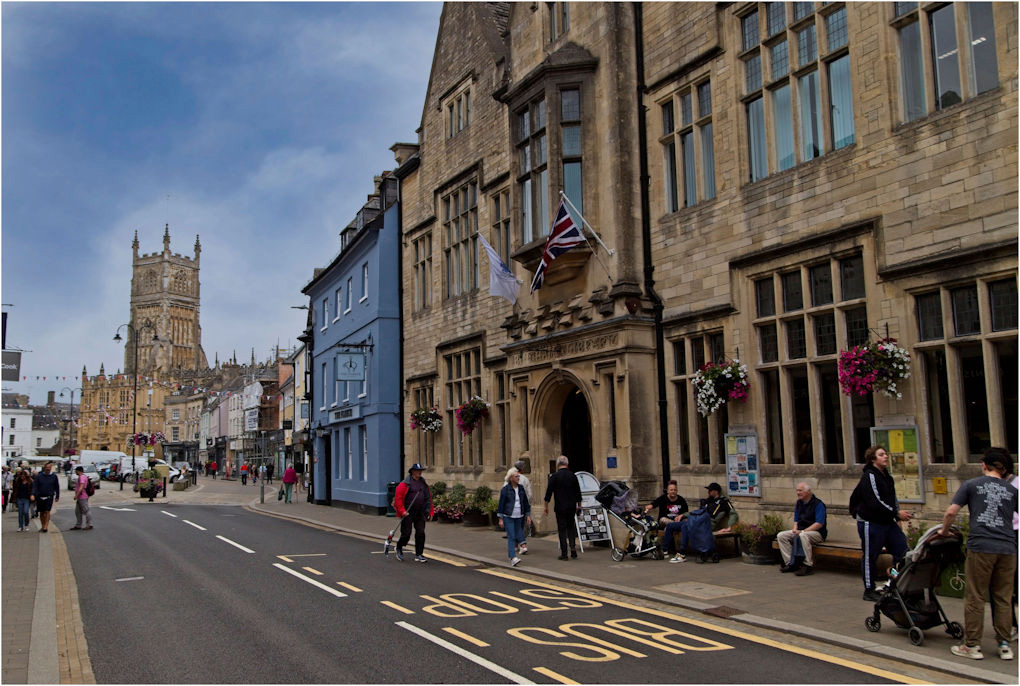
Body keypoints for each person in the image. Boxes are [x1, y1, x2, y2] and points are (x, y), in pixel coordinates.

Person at [940, 447, 1018, 661]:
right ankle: (1004, 645)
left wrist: (944, 531)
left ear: (984, 465)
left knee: (975, 595)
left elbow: (951, 512)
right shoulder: (1012, 490)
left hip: (981, 545)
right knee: (1003, 598)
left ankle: (972, 645)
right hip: (1008, 548)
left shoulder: (971, 485)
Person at [850, 445, 912, 602]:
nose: (885, 456)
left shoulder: (887, 476)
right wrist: (896, 514)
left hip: (886, 521)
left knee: (903, 551)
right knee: (871, 556)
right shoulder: (870, 476)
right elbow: (874, 501)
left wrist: (896, 518)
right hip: (870, 522)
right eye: (881, 454)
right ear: (873, 459)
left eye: (885, 454)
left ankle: (895, 580)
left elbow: (892, 499)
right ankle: (869, 589)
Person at [777, 482, 827, 576]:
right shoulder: (799, 503)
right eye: (797, 490)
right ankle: (790, 563)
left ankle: (808, 565)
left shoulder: (818, 504)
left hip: (816, 533)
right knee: (781, 535)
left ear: (808, 492)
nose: (798, 492)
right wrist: (795, 529)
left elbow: (819, 523)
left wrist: (803, 531)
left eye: (800, 490)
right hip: (801, 531)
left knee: (803, 535)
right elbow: (796, 519)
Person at [544, 455, 582, 560]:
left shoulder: (554, 477)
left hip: (560, 506)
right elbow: (578, 492)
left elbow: (548, 493)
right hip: (571, 506)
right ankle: (573, 549)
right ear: (567, 464)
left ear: (557, 465)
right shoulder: (572, 476)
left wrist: (546, 506)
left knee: (562, 530)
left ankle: (564, 553)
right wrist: (579, 505)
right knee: (570, 527)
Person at [393, 463, 434, 562]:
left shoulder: (423, 484)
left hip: (420, 512)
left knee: (420, 532)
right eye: (417, 470)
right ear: (412, 472)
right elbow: (398, 499)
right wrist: (402, 511)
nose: (419, 472)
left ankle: (419, 554)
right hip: (407, 512)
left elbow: (428, 498)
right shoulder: (404, 484)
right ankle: (399, 547)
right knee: (406, 533)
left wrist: (430, 512)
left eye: (420, 471)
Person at [646, 480, 689, 562]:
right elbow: (654, 503)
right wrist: (649, 507)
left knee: (685, 521)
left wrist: (681, 516)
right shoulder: (663, 498)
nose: (673, 492)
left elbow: (686, 513)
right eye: (671, 490)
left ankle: (666, 549)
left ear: (677, 490)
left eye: (675, 490)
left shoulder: (681, 500)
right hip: (665, 521)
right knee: (663, 520)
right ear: (668, 491)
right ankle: (673, 526)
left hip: (677, 522)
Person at [497, 467, 531, 567]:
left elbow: (525, 502)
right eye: (516, 476)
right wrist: (500, 518)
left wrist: (528, 515)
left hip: (519, 515)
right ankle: (513, 557)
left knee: (519, 532)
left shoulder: (521, 488)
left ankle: (523, 545)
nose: (518, 478)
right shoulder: (505, 490)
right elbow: (501, 504)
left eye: (518, 476)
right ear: (511, 478)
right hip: (508, 516)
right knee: (511, 536)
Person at [506, 459, 533, 554]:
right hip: (521, 507)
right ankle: (521, 544)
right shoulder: (525, 479)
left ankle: (515, 545)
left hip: (510, 507)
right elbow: (529, 495)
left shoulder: (510, 477)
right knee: (520, 526)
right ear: (522, 469)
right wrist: (528, 506)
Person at [31, 461, 60, 533]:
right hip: (40, 497)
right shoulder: (39, 476)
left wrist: (57, 496)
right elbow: (35, 486)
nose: (48, 469)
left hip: (49, 496)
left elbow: (57, 487)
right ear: (44, 468)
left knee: (47, 511)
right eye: (46, 468)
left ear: (51, 468)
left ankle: (45, 526)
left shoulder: (54, 476)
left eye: (49, 468)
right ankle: (43, 525)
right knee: (41, 512)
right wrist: (32, 494)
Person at [70, 466, 94, 530]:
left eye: (76, 471)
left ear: (79, 471)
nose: (75, 472)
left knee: (86, 510)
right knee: (77, 511)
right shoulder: (83, 476)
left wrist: (76, 495)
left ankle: (89, 524)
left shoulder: (82, 477)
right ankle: (78, 525)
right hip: (81, 496)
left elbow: (81, 487)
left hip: (82, 496)